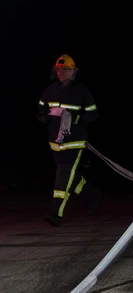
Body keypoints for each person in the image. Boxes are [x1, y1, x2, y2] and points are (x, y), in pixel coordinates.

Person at [37, 54, 101, 227]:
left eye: (64, 69)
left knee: (63, 176)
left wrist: (76, 118)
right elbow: (41, 108)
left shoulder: (81, 91)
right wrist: (43, 116)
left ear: (74, 71)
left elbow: (93, 114)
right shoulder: (50, 90)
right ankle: (91, 194)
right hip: (55, 143)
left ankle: (56, 212)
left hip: (74, 143)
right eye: (58, 69)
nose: (60, 72)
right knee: (69, 177)